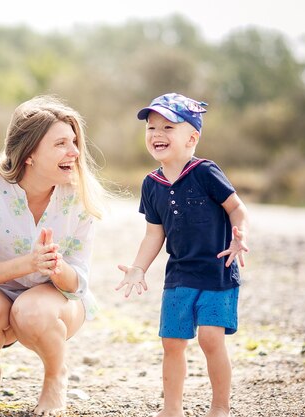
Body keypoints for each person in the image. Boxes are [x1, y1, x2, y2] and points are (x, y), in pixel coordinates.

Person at [0, 95, 107, 416]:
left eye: (75, 141)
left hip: (54, 300)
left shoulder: (79, 193)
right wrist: (28, 263)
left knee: (32, 311)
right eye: (62, 143)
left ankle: (55, 378)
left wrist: (54, 265)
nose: (75, 152)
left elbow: (77, 285)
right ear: (30, 153)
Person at [115, 93, 249, 417]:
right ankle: (171, 409)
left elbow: (236, 208)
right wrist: (138, 267)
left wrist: (239, 236)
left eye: (167, 127)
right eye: (151, 127)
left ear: (192, 138)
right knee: (172, 343)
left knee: (210, 339)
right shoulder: (151, 183)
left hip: (218, 271)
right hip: (179, 275)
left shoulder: (205, 171)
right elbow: (153, 234)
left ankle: (220, 408)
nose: (157, 134)